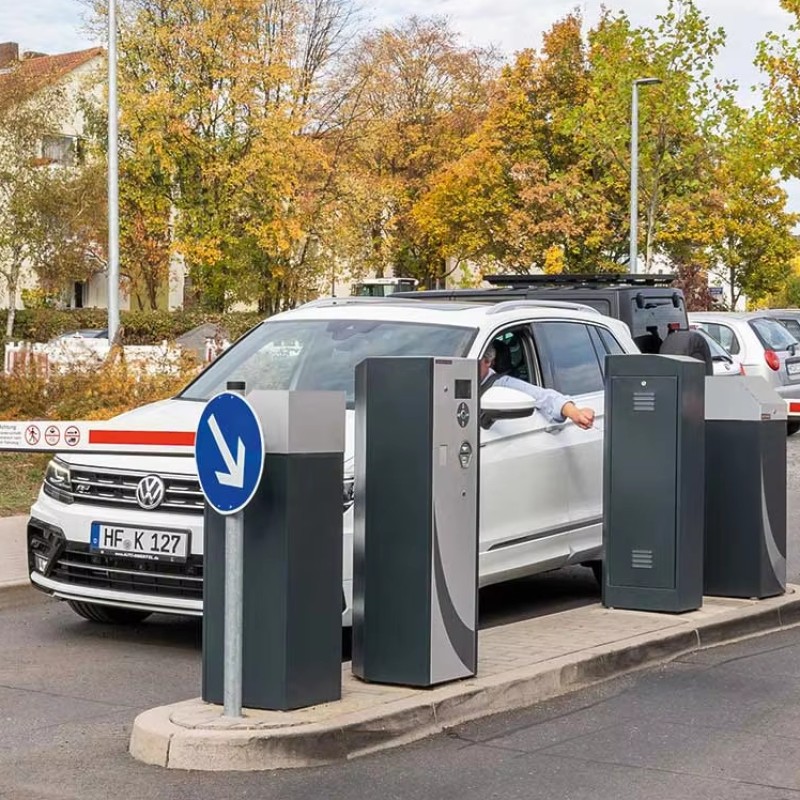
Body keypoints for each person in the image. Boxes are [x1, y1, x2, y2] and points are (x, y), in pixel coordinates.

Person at [479, 343, 595, 429]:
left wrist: (575, 413)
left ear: (488, 361)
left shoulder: (501, 384)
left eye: (471, 361)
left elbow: (543, 396)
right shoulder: (463, 383)